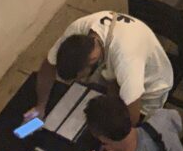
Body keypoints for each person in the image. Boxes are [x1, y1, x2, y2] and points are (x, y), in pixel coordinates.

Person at [34, 11, 173, 127]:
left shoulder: (126, 59)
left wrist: (113, 143)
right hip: (116, 75)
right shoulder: (77, 31)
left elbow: (133, 116)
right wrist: (40, 106)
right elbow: (49, 65)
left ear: (92, 60)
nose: (80, 81)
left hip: (151, 87)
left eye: (81, 77)